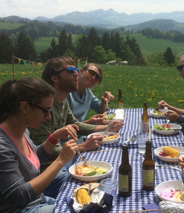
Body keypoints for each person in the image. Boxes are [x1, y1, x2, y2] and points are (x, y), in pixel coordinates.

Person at [28, 56, 123, 198]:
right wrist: (83, 147)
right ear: (54, 78)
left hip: (64, 159)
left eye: (76, 69)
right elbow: (41, 149)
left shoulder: (62, 100)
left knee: (104, 165)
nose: (76, 73)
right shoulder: (42, 107)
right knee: (95, 188)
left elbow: (76, 124)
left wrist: (107, 128)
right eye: (71, 70)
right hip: (48, 170)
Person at [0, 78, 78, 213]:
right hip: (21, 209)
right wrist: (60, 161)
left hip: (38, 200)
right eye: (46, 111)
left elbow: (31, 162)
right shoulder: (2, 146)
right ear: (24, 107)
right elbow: (18, 197)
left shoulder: (23, 130)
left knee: (79, 183)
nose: (48, 117)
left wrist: (54, 138)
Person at [158, 53, 184, 140]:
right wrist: (168, 107)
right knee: (161, 134)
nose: (183, 70)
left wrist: (179, 118)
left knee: (172, 140)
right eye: (180, 68)